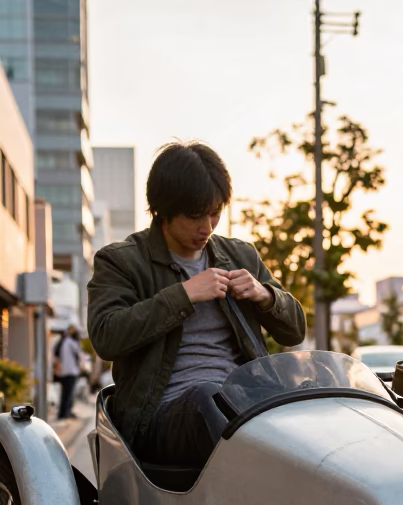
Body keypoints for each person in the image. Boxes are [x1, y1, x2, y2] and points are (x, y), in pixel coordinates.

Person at [86, 141, 306, 466]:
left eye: (216, 212)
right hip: (162, 416)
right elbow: (105, 337)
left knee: (312, 403)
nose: (207, 227)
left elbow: (295, 331)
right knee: (209, 397)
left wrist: (265, 295)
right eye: (194, 216)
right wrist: (184, 295)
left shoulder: (240, 255)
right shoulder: (122, 261)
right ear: (162, 209)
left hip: (245, 401)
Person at [53, 325, 83, 420]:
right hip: (71, 371)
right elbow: (78, 355)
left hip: (64, 371)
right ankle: (66, 413)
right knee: (69, 394)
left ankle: (63, 413)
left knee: (64, 394)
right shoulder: (72, 343)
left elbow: (56, 353)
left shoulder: (63, 342)